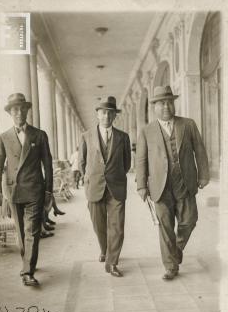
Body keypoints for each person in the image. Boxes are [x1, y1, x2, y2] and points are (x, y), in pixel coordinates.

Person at [136, 85, 209, 280]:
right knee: (165, 226)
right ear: (154, 107)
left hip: (185, 182)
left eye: (169, 102)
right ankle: (170, 266)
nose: (166, 106)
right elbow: (141, 160)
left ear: (173, 104)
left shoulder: (188, 124)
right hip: (159, 186)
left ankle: (175, 251)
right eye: (161, 103)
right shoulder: (146, 131)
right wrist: (141, 185)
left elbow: (200, 151)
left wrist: (203, 175)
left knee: (189, 220)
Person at [0, 93, 53, 286]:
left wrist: (48, 191)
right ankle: (27, 261)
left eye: (22, 108)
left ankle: (28, 271)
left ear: (27, 110)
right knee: (20, 233)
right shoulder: (4, 137)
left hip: (34, 190)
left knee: (32, 231)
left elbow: (48, 164)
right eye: (15, 109)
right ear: (11, 112)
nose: (19, 112)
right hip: (13, 191)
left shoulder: (39, 135)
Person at [79, 96, 131, 277]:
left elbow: (126, 164)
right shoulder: (86, 136)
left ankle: (112, 262)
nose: (106, 116)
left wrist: (114, 176)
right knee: (98, 225)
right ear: (97, 115)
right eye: (103, 113)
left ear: (114, 116)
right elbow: (82, 163)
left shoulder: (123, 137)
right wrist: (90, 179)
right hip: (94, 187)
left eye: (110, 113)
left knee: (117, 226)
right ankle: (104, 249)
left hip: (116, 187)